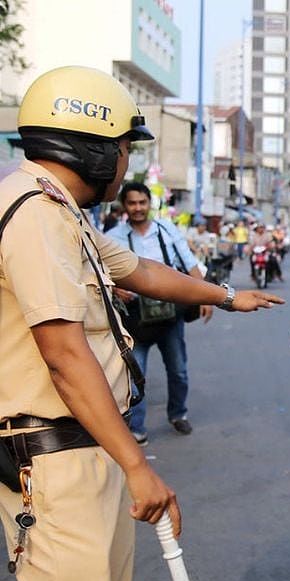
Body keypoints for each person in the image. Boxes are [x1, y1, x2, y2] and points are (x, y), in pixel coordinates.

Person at [0, 65, 283, 581]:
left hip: (85, 447)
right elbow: (63, 353)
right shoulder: (32, 214)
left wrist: (228, 295)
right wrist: (137, 465)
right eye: (124, 148)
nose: (126, 162)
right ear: (91, 148)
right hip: (55, 457)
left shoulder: (58, 209)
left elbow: (140, 269)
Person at [106, 183, 207, 444]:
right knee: (135, 374)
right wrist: (115, 288)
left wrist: (208, 295)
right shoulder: (114, 236)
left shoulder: (167, 229)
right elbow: (100, 272)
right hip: (134, 318)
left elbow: (188, 262)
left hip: (170, 314)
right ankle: (136, 428)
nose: (138, 208)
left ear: (150, 203)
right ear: (124, 206)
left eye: (142, 202)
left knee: (178, 370)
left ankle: (177, 414)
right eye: (132, 203)